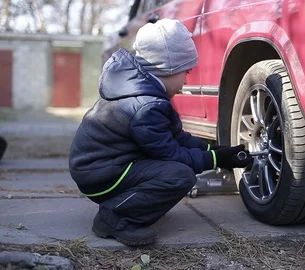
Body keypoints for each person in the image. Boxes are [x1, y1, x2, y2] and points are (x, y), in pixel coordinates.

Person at [69, 19, 252, 246]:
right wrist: (215, 160)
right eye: (186, 71)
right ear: (168, 69)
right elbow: (171, 154)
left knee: (175, 169)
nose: (186, 81)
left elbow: (175, 138)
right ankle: (113, 217)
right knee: (180, 175)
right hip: (101, 175)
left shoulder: (142, 91)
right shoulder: (147, 105)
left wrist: (214, 150)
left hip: (102, 167)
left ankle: (133, 204)